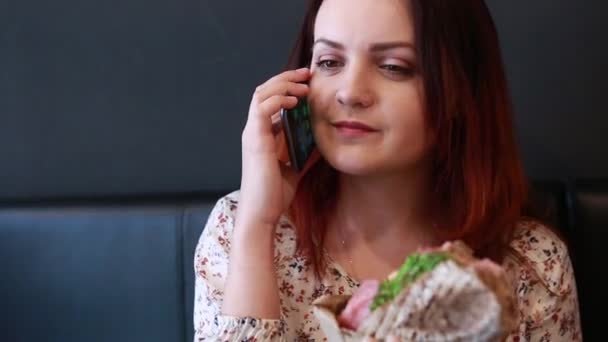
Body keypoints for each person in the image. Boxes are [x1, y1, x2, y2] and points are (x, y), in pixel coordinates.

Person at [193, 0, 582, 340]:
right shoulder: (240, 229)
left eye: (394, 67)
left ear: (461, 91)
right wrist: (257, 227)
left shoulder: (532, 263)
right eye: (329, 62)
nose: (350, 92)